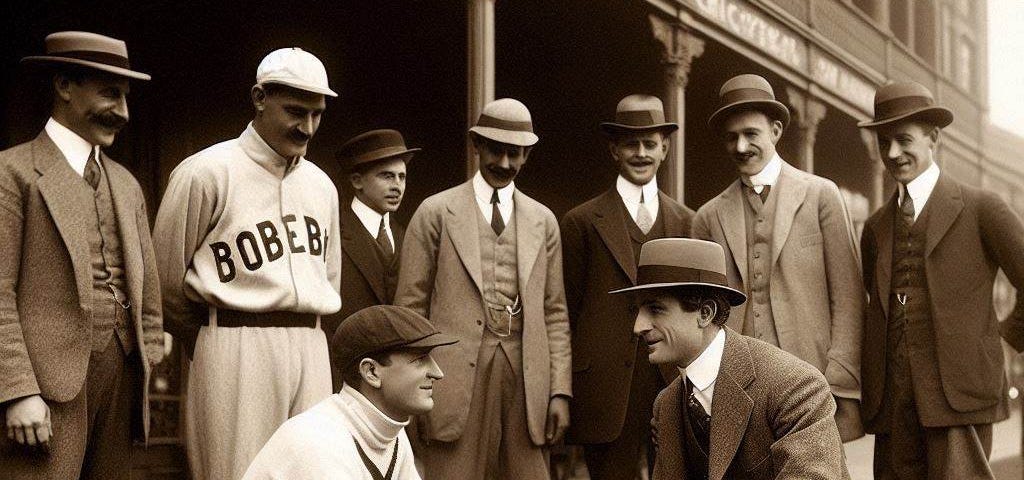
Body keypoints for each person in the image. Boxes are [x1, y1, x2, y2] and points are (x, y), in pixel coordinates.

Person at [152, 47, 341, 480]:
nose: (307, 127)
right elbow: (164, 281)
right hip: (236, 339)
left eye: (317, 114)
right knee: (236, 472)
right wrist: (210, 340)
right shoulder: (206, 171)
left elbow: (330, 279)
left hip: (310, 343)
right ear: (259, 98)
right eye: (295, 111)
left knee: (314, 471)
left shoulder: (322, 186)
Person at [0, 31, 164, 479]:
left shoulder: (126, 183)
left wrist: (148, 348)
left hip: (122, 379)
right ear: (64, 85)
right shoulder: (12, 173)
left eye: (126, 97)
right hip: (44, 391)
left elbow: (146, 284)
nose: (124, 112)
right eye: (110, 93)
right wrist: (16, 391)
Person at [395, 98, 571, 479]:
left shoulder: (544, 221)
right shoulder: (436, 212)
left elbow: (555, 313)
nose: (505, 163)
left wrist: (559, 390)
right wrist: (410, 382)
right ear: (476, 145)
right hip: (453, 372)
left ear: (526, 154)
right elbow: (410, 309)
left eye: (515, 154)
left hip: (527, 377)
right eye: (495, 150)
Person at [858, 80, 1024, 479]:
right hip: (893, 402)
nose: (893, 153)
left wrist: (1005, 337)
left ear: (933, 138)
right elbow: (875, 301)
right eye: (884, 143)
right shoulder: (877, 227)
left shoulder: (981, 207)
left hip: (959, 397)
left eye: (903, 140)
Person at [691, 73, 864, 441]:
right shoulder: (707, 216)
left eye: (751, 134)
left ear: (776, 130)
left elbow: (849, 299)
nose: (741, 146)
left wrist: (838, 380)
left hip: (810, 380)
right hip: (736, 386)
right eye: (731, 137)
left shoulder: (821, 196)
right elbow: (700, 314)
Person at [612, 238, 848, 479]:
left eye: (656, 309)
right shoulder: (666, 405)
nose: (638, 326)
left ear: (705, 314)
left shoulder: (794, 387)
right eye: (638, 310)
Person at [561, 94, 694, 478]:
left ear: (665, 149)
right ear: (613, 149)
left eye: (649, 144)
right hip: (603, 389)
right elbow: (567, 312)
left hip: (671, 381)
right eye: (630, 144)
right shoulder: (581, 222)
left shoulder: (687, 222)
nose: (640, 153)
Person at [243, 305, 458, 480]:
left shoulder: (391, 435)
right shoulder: (319, 442)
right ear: (371, 371)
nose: (437, 372)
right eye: (420, 359)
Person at [322, 129, 418, 390]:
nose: (397, 185)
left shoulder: (408, 236)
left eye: (402, 177)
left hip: (393, 380)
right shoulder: (331, 231)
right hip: (341, 372)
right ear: (357, 181)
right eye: (386, 176)